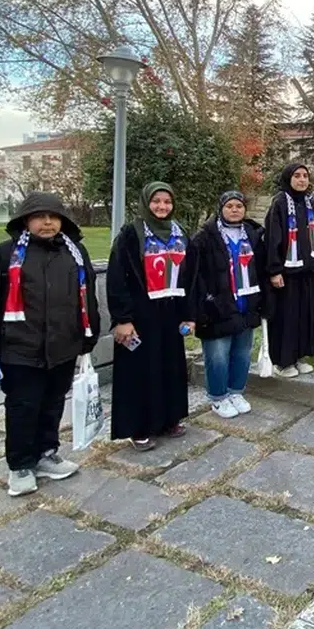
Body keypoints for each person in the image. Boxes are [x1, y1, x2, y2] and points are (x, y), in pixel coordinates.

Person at [0, 193, 96, 496]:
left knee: (52, 404)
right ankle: (21, 465)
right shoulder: (4, 255)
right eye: (40, 216)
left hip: (63, 347)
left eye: (54, 216)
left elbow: (87, 295)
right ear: (26, 220)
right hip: (20, 348)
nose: (48, 222)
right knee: (23, 407)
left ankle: (46, 453)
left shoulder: (74, 253)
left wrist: (88, 337)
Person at [108, 183, 195, 451]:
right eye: (156, 201)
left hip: (170, 313)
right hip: (140, 314)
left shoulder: (180, 233)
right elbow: (117, 277)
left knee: (169, 367)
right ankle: (139, 427)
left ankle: (169, 419)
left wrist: (189, 315)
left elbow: (191, 277)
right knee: (140, 371)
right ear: (147, 203)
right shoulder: (131, 234)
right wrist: (122, 318)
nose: (162, 207)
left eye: (167, 202)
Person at [188, 190, 268, 420]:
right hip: (217, 307)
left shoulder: (252, 235)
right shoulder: (204, 237)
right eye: (230, 206)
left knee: (242, 353)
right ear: (221, 208)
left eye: (239, 206)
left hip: (246, 303)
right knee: (218, 355)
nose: (235, 210)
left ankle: (235, 392)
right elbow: (194, 275)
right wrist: (203, 304)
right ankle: (217, 397)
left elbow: (260, 269)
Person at [263, 164, 314, 377]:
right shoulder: (279, 204)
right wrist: (274, 270)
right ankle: (283, 361)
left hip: (307, 270)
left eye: (305, 176)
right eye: (297, 176)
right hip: (286, 273)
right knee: (287, 317)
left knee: (305, 315)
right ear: (288, 178)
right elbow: (273, 239)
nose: (302, 180)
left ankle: (300, 355)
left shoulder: (309, 203)